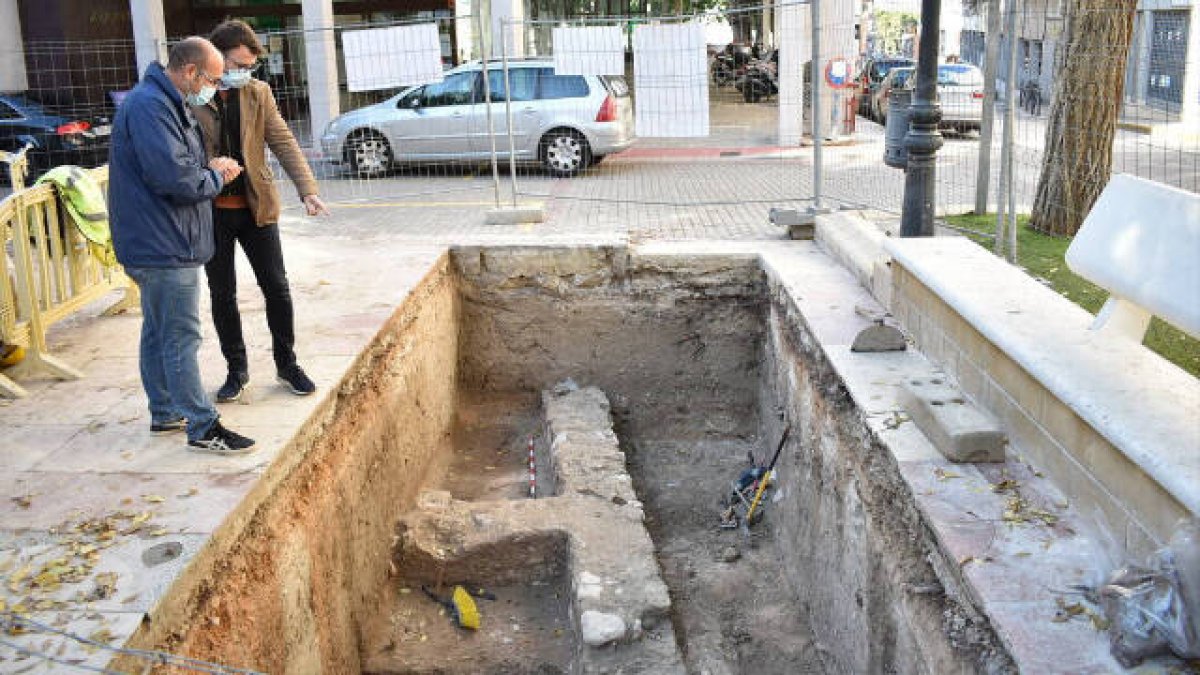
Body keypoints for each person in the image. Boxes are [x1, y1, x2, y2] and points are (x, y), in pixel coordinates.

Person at [109, 37, 255, 454]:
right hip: (162, 242)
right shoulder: (151, 107)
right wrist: (217, 178)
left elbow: (178, 165)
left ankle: (165, 410)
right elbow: (174, 180)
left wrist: (208, 167)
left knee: (158, 330)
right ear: (190, 71)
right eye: (212, 78)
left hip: (160, 237)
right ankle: (203, 425)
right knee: (180, 336)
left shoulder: (163, 103)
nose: (215, 86)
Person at [192, 20, 329, 404]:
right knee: (223, 293)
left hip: (257, 207)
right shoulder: (193, 96)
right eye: (236, 65)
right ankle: (236, 369)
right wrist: (209, 165)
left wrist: (308, 190)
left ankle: (287, 364)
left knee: (277, 287)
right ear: (215, 59)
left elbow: (283, 139)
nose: (242, 74)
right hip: (212, 211)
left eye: (248, 66)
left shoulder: (257, 92)